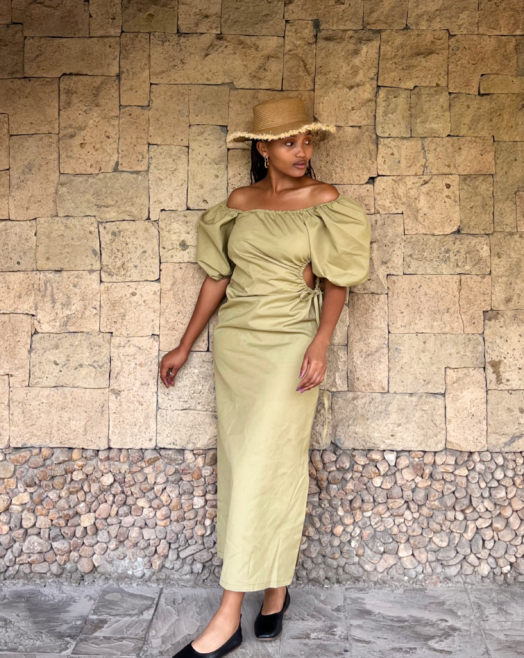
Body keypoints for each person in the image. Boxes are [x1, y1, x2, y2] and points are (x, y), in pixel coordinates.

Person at [159, 96, 371, 658]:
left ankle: (228, 615)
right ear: (262, 149)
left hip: (289, 348)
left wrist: (321, 343)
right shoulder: (239, 203)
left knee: (263, 464)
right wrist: (185, 344)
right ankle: (275, 589)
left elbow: (337, 282)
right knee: (245, 465)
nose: (302, 152)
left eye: (307, 141)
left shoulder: (324, 202)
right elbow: (217, 279)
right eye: (289, 142)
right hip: (238, 348)